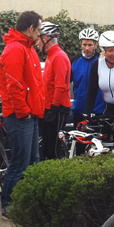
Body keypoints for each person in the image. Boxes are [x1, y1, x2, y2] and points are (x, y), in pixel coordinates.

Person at [0, 11, 44, 220]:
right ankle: (8, 206)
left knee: (31, 161)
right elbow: (14, 86)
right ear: (31, 28)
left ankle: (24, 204)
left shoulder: (27, 48)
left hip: (28, 115)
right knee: (20, 162)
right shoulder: (16, 49)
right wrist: (24, 112)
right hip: (20, 116)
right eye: (39, 29)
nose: (40, 33)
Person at [37, 21, 71, 160]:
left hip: (57, 109)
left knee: (54, 149)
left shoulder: (59, 56)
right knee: (46, 148)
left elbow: (60, 86)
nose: (37, 43)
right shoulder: (51, 56)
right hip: (49, 107)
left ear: (46, 38)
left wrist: (53, 108)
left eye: (38, 39)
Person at [71, 28, 105, 128]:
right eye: (84, 44)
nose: (86, 48)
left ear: (96, 44)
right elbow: (65, 82)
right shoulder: (74, 60)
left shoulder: (102, 60)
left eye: (90, 45)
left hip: (98, 110)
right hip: (79, 110)